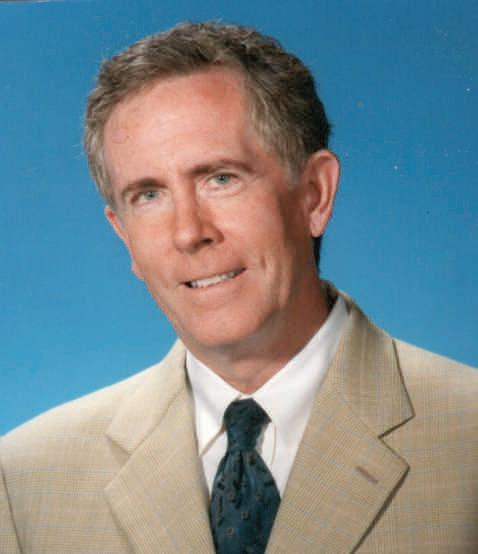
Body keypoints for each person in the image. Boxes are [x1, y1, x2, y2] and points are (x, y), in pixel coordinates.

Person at [1, 21, 477, 554]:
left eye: (220, 178)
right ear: (124, 235)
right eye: (149, 195)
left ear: (315, 195)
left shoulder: (468, 441)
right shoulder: (25, 482)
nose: (189, 233)